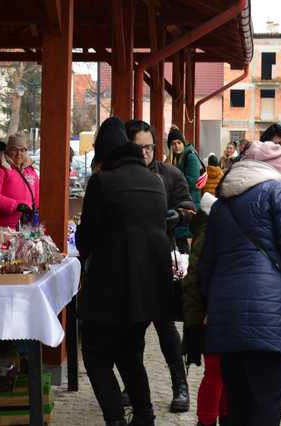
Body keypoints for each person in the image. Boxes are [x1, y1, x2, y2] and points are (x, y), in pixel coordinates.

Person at [200, 141, 281, 426]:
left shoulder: (221, 203)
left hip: (226, 318)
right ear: (280, 170)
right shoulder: (280, 191)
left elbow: (206, 264)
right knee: (266, 404)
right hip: (268, 318)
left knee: (237, 404)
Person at [78, 117, 172, 426]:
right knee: (130, 355)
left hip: (109, 288)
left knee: (95, 355)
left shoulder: (102, 182)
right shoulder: (154, 181)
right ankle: (144, 416)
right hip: (148, 288)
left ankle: (116, 419)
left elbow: (86, 239)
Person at [125, 119, 194, 413]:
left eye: (149, 147)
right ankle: (133, 387)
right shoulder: (121, 178)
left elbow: (191, 208)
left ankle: (181, 385)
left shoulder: (170, 174)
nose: (145, 153)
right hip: (129, 262)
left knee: (166, 329)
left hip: (163, 260)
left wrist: (179, 216)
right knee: (133, 331)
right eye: (138, 148)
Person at [181, 192, 229, 426]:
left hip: (210, 313)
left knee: (221, 373)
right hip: (211, 315)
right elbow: (196, 282)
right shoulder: (210, 235)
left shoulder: (206, 232)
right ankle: (208, 420)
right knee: (217, 372)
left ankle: (215, 418)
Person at [0, 134, 40, 229]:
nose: (19, 154)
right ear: (8, 150)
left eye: (22, 150)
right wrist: (15, 206)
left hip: (27, 225)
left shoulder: (31, 170)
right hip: (5, 227)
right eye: (14, 150)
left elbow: (38, 196)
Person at [167, 126, 202, 253]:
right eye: (173, 144)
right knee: (178, 239)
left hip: (189, 203)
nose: (176, 146)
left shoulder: (190, 156)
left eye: (179, 143)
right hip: (181, 203)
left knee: (182, 240)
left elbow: (192, 180)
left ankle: (184, 267)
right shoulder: (174, 159)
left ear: (183, 143)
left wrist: (172, 183)